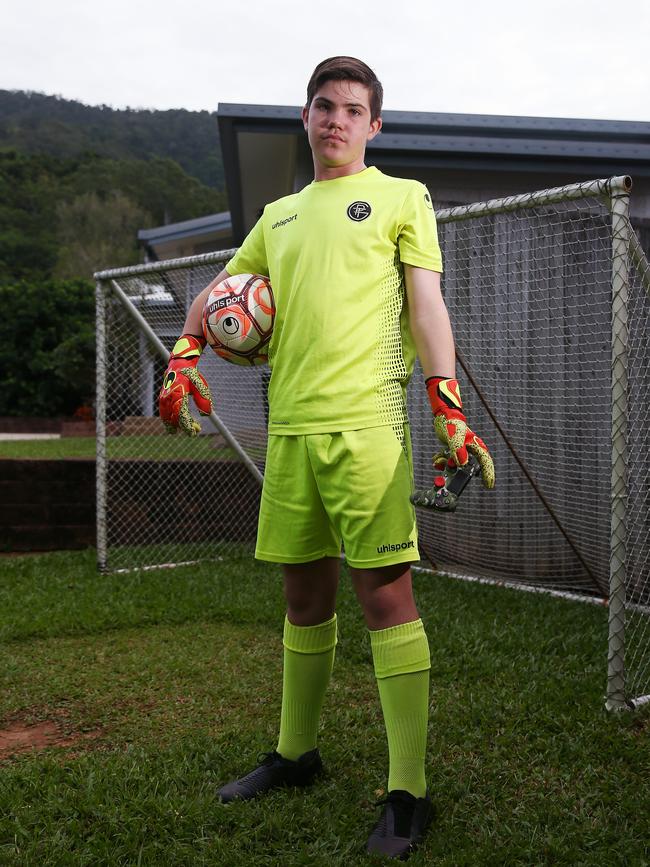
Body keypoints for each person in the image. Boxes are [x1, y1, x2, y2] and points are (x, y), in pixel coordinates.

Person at [159, 56, 494, 861]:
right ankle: (296, 753)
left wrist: (446, 401)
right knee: (304, 596)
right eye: (324, 105)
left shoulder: (401, 199)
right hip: (292, 431)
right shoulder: (276, 216)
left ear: (373, 125)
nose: (337, 118)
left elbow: (426, 303)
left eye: (353, 108)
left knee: (385, 598)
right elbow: (219, 291)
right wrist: (184, 348)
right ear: (305, 118)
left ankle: (408, 789)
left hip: (367, 429)